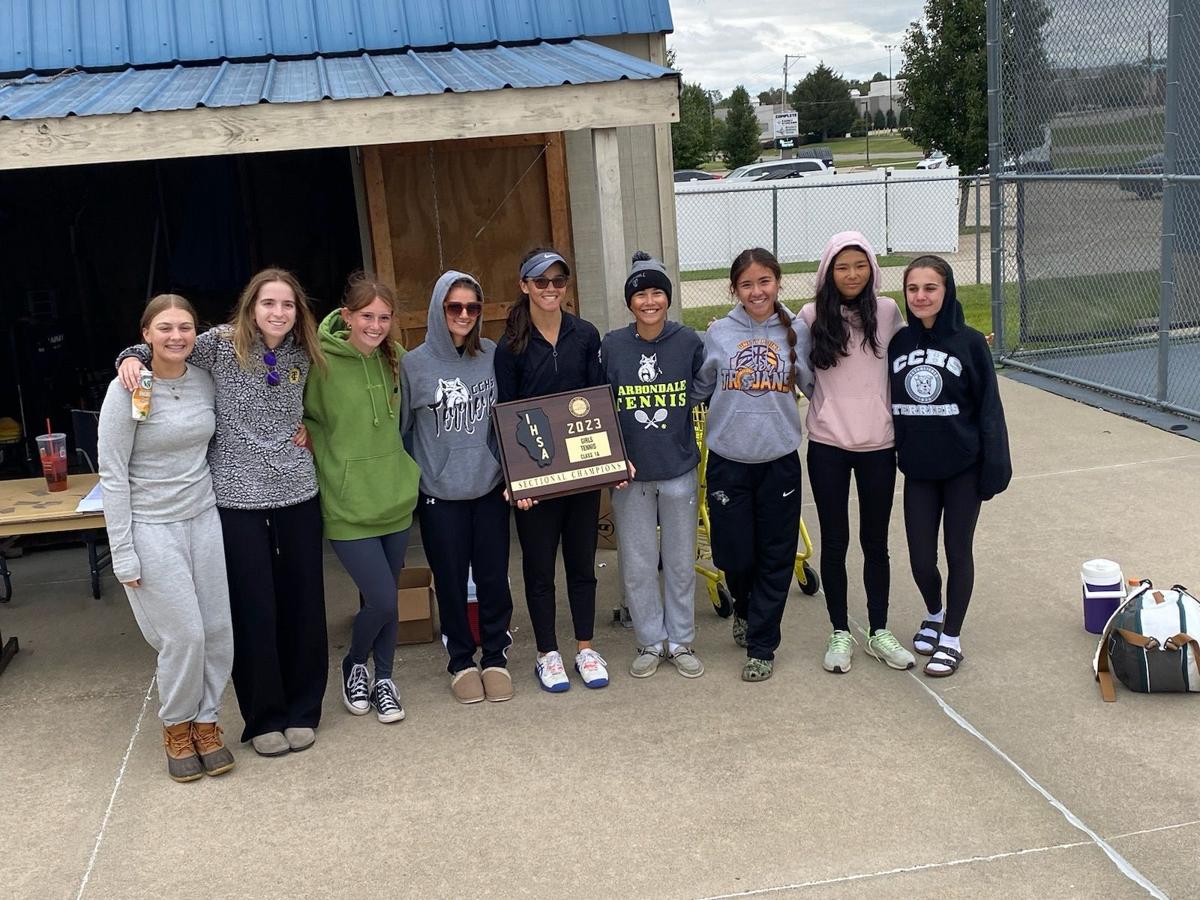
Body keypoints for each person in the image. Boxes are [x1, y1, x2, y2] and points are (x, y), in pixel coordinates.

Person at [117, 268, 328, 758]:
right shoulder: (219, 344)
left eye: (288, 305)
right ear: (251, 306)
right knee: (253, 609)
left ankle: (303, 710)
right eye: (269, 303)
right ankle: (263, 717)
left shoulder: (305, 352)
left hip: (297, 491)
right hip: (235, 500)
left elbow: (330, 396)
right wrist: (129, 357)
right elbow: (166, 346)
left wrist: (314, 431)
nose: (279, 313)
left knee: (303, 604)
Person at [100, 294, 236, 783]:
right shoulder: (126, 390)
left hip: (203, 517)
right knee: (185, 635)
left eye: (184, 327)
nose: (176, 336)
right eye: (164, 329)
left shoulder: (204, 381)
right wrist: (123, 553)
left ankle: (207, 720)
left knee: (218, 629)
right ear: (145, 335)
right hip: (151, 525)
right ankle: (177, 725)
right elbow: (112, 475)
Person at [304, 274, 420, 721]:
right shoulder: (319, 361)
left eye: (384, 318)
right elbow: (295, 409)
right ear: (347, 316)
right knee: (384, 600)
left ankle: (384, 678)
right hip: (348, 503)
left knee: (385, 599)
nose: (375, 325)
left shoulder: (397, 360)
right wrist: (309, 434)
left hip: (393, 499)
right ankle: (355, 663)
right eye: (367, 316)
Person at [694, 248, 813, 682]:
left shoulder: (797, 330)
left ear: (777, 282)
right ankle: (743, 607)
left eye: (764, 281)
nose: (757, 291)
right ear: (735, 289)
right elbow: (699, 387)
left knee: (776, 556)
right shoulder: (719, 334)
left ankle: (762, 645)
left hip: (778, 462)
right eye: (747, 284)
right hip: (729, 461)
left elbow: (817, 386)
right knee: (735, 553)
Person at [889, 255, 1012, 677]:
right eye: (913, 289)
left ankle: (952, 638)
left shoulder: (971, 342)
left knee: (957, 552)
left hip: (963, 468)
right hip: (919, 470)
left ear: (947, 291)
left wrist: (994, 466)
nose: (921, 296)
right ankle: (936, 613)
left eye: (930, 288)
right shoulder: (899, 344)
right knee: (921, 559)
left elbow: (990, 410)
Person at [799, 232, 915, 675]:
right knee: (835, 541)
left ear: (872, 269)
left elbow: (910, 355)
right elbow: (801, 372)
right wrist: (825, 406)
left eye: (860, 265)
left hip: (878, 447)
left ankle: (879, 630)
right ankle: (839, 632)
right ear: (828, 270)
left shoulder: (886, 312)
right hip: (828, 444)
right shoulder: (811, 316)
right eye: (842, 266)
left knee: (875, 542)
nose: (852, 274)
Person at [494, 248, 608, 692]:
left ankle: (584, 648)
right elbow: (504, 414)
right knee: (540, 569)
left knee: (582, 564)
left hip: (580, 473)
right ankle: (547, 654)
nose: (550, 289)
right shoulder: (511, 347)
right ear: (524, 285)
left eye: (558, 281)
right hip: (535, 478)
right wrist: (514, 479)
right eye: (541, 281)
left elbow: (598, 403)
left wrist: (609, 463)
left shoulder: (586, 335)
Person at [400, 271, 515, 704]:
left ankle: (496, 656)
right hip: (440, 495)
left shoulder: (491, 355)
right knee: (449, 581)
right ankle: (462, 660)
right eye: (454, 307)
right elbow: (403, 433)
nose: (464, 315)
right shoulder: (415, 365)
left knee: (492, 578)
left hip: (487, 488)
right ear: (438, 310)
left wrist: (508, 471)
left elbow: (506, 419)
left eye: (472, 307)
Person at [601, 251, 706, 679]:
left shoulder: (688, 341)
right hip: (631, 476)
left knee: (680, 562)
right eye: (640, 294)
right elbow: (600, 407)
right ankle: (649, 639)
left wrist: (678, 412)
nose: (649, 301)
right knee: (640, 563)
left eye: (657, 292)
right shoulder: (613, 346)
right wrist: (612, 457)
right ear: (630, 301)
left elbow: (702, 384)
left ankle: (680, 640)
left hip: (678, 468)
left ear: (668, 298)